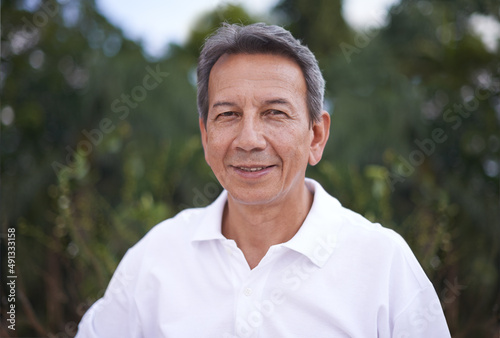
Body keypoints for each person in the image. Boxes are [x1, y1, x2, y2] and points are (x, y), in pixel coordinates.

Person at [76, 23, 451, 337]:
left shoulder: (383, 264)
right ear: (206, 138)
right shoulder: (155, 258)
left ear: (316, 137)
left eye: (274, 112)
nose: (249, 140)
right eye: (228, 115)